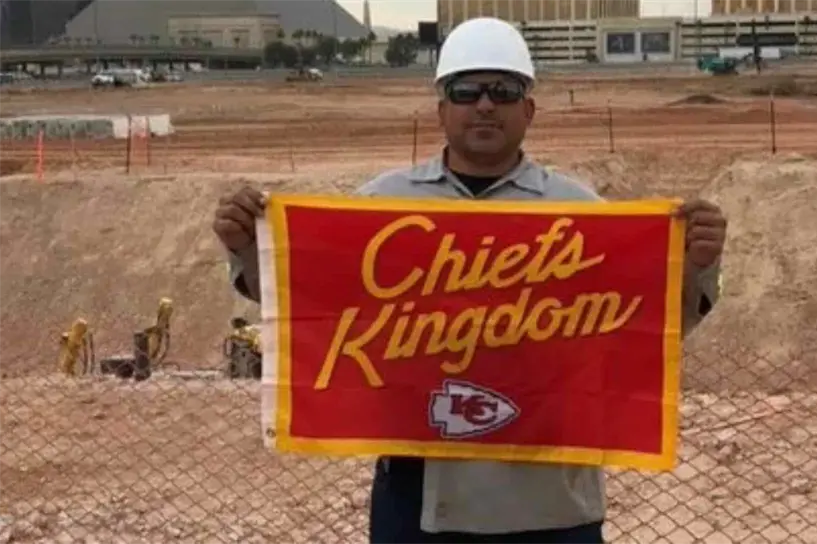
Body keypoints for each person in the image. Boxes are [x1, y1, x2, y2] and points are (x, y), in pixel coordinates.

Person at [213, 17, 727, 544]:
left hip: (552, 501)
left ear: (528, 110)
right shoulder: (380, 210)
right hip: (420, 499)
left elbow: (639, 334)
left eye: (504, 91)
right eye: (467, 91)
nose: (485, 105)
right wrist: (250, 252)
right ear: (442, 109)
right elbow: (310, 309)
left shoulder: (582, 215)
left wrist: (693, 267)